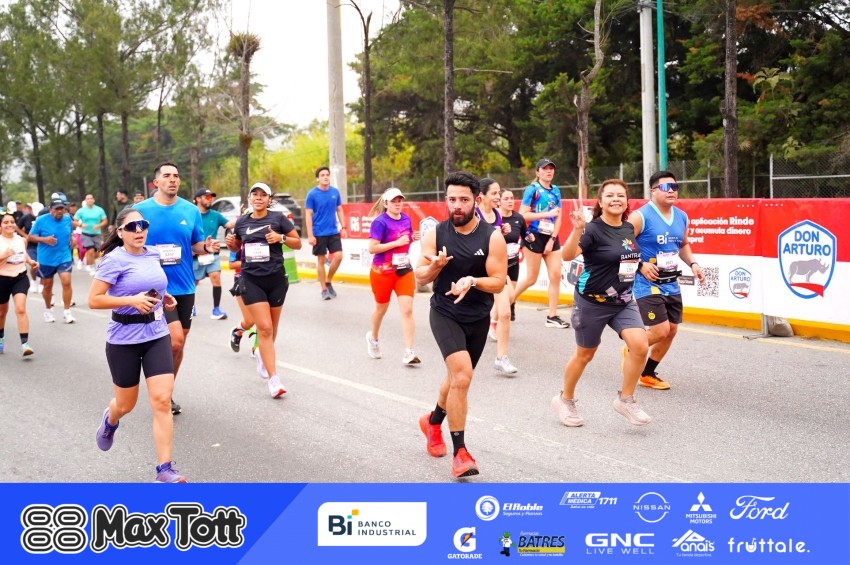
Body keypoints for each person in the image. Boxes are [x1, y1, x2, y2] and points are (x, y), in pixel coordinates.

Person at [415, 171, 507, 478]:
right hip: (445, 313)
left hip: (478, 316)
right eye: (452, 199)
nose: (457, 205)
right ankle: (461, 453)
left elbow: (498, 282)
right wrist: (435, 268)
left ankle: (432, 422)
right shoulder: (436, 234)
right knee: (463, 376)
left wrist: (473, 280)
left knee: (457, 379)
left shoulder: (492, 236)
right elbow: (420, 276)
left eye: (464, 199)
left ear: (477, 200)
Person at [88, 207, 186, 483]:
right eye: (132, 227)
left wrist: (164, 298)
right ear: (120, 232)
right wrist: (131, 300)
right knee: (125, 404)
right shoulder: (113, 260)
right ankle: (111, 420)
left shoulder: (153, 254)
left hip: (156, 334)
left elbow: (154, 285)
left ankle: (164, 469)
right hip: (123, 340)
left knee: (162, 400)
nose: (139, 230)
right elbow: (94, 300)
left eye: (142, 225)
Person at [554, 179, 651, 427]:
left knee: (640, 346)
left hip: (623, 300)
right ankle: (565, 399)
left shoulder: (628, 228)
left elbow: (625, 256)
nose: (616, 199)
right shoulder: (593, 230)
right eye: (610, 195)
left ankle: (626, 400)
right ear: (600, 201)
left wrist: (641, 265)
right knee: (585, 354)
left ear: (627, 201)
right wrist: (577, 229)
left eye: (621, 195)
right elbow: (567, 255)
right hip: (592, 302)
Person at [133, 162, 219, 415]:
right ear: (156, 182)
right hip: (155, 286)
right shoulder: (140, 211)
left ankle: (166, 394)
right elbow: (128, 243)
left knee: (179, 344)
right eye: (167, 176)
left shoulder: (190, 210)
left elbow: (196, 244)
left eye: (176, 176)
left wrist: (207, 247)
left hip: (185, 285)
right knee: (175, 340)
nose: (173, 180)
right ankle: (160, 391)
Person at [628, 170, 706, 390]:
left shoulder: (681, 216)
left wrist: (693, 264)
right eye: (665, 187)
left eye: (674, 187)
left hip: (671, 281)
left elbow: (683, 245)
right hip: (646, 282)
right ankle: (634, 348)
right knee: (660, 330)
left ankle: (647, 373)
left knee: (671, 331)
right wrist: (641, 265)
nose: (671, 191)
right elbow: (622, 244)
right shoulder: (640, 216)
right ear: (652, 191)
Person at [225, 182, 301, 398]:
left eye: (263, 195)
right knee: (265, 328)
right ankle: (274, 379)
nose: (258, 198)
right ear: (249, 198)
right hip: (251, 280)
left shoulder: (278, 219)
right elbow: (237, 247)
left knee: (272, 329)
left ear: (269, 199)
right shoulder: (242, 221)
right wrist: (231, 244)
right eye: (255, 194)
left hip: (276, 280)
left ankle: (261, 353)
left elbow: (297, 243)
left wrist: (280, 238)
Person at [365, 187, 421, 365]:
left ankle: (409, 352)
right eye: (394, 201)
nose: (398, 204)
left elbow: (406, 239)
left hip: (403, 270)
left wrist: (413, 237)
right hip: (382, 272)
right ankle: (373, 338)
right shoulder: (380, 222)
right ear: (386, 203)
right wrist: (396, 243)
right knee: (381, 309)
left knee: (407, 309)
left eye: (400, 200)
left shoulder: (406, 219)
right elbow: (372, 248)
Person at [513, 158, 569, 329]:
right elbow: (523, 215)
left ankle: (552, 316)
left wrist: (553, 239)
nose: (548, 171)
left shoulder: (556, 190)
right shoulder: (532, 190)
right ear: (538, 172)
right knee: (531, 278)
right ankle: (509, 301)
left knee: (555, 275)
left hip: (550, 235)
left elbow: (559, 216)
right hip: (533, 235)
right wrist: (546, 214)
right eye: (544, 169)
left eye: (551, 168)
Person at [477, 178, 518, 375]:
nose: (498, 197)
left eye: (498, 193)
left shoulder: (497, 215)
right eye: (494, 193)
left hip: (497, 270)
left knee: (507, 311)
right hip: (476, 271)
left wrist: (502, 231)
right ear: (481, 196)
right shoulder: (473, 215)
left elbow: (496, 240)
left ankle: (501, 358)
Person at [29, 198, 76, 324]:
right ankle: (48, 310)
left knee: (66, 281)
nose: (60, 211)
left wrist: (72, 239)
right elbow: (30, 237)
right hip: (46, 258)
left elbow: (70, 233)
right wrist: (45, 240)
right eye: (57, 209)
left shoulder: (67, 219)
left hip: (64, 256)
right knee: (48, 285)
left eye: (62, 208)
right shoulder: (41, 220)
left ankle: (67, 312)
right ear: (50, 209)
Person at [305, 166, 347, 300]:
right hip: (318, 232)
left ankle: (328, 281)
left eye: (327, 174)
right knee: (321, 260)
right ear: (318, 178)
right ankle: (324, 289)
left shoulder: (335, 192)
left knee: (339, 256)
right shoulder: (312, 194)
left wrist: (344, 227)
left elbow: (339, 209)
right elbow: (308, 215)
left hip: (333, 231)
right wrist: (310, 235)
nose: (325, 177)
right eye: (322, 175)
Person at [192, 188, 234, 320]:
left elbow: (229, 224)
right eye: (207, 197)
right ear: (198, 199)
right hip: (195, 255)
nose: (211, 200)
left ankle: (216, 309)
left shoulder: (215, 215)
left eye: (212, 197)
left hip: (212, 255)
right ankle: (190, 307)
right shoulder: (191, 214)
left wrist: (247, 216)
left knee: (216, 277)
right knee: (193, 283)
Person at [0, 211, 38, 356]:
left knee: (20, 309)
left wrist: (30, 261)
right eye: (5, 222)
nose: (9, 225)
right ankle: (1, 338)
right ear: (0, 226)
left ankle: (25, 344)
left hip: (20, 277)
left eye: (12, 222)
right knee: (2, 312)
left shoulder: (21, 240)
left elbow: (24, 254)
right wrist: (3, 256)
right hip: (2, 279)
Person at [499, 187, 527, 323]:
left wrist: (529, 239)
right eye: (506, 199)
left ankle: (511, 306)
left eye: (512, 198)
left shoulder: (518, 218)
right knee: (501, 294)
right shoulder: (495, 218)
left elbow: (525, 234)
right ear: (499, 201)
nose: (510, 201)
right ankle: (495, 320)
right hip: (498, 262)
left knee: (511, 294)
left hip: (513, 261)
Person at [74, 193, 108, 273]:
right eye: (88, 199)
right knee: (90, 251)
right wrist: (81, 225)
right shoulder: (81, 211)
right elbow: (74, 221)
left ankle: (91, 261)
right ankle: (92, 267)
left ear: (93, 200)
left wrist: (99, 225)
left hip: (97, 234)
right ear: (85, 201)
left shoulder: (99, 210)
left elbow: (105, 221)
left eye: (91, 198)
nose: (89, 200)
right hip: (86, 234)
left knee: (96, 254)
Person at [15, 204, 41, 293]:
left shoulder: (43, 218)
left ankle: (41, 283)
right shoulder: (26, 217)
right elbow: (17, 227)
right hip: (31, 245)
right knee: (33, 264)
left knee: (43, 265)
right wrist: (26, 236)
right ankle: (34, 280)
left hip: (42, 245)